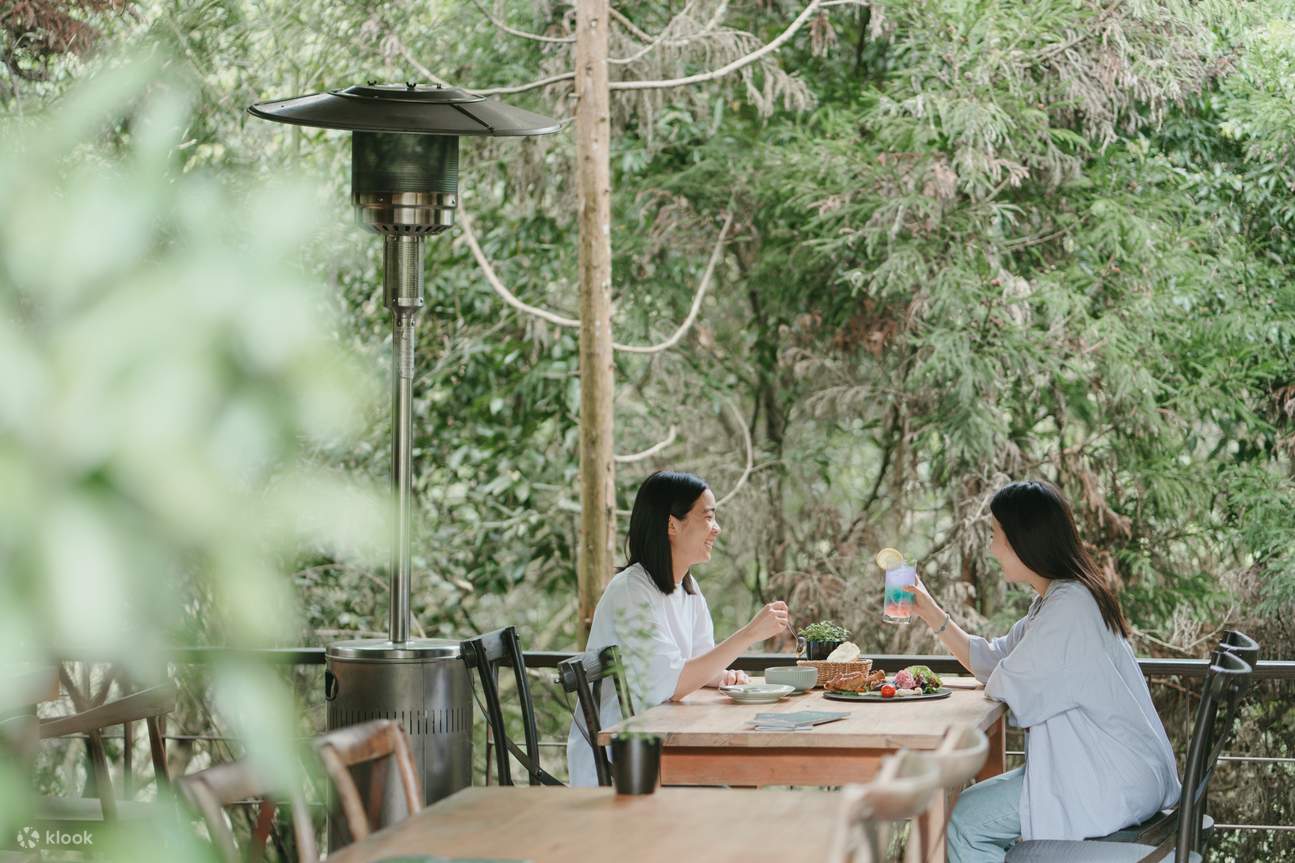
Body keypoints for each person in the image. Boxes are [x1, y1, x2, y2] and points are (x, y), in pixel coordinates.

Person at [904, 479, 1180, 862]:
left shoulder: (1069, 608)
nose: (991, 548)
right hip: (1100, 767)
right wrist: (929, 610)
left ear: (1024, 540)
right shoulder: (1058, 600)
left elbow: (1004, 681)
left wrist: (999, 673)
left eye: (995, 535)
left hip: (1107, 777)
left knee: (963, 825)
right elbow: (992, 660)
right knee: (965, 813)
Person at [565, 470, 791, 787]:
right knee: (740, 782)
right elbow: (676, 683)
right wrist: (750, 633)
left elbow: (698, 664)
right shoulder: (631, 592)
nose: (717, 528)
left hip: (661, 745)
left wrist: (723, 676)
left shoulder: (686, 587)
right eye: (708, 517)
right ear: (673, 525)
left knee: (746, 778)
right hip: (624, 762)